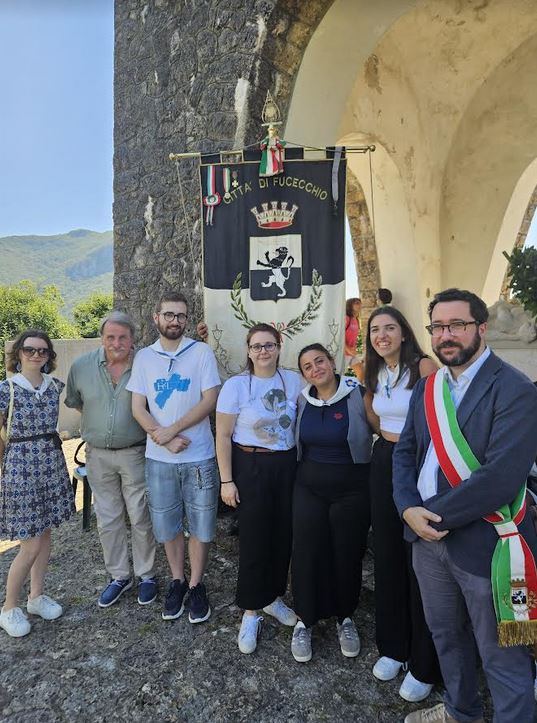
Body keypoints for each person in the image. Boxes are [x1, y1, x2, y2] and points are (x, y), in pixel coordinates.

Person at [393, 288, 537, 723]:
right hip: (426, 540)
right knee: (446, 637)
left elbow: (500, 478)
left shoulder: (515, 389)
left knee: (503, 654)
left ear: (481, 327)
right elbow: (405, 452)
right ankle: (461, 712)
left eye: (457, 325)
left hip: (489, 543)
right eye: (438, 327)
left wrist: (428, 516)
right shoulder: (429, 387)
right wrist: (406, 509)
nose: (446, 335)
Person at [128, 291, 220, 624]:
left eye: (181, 316)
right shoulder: (144, 358)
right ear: (156, 317)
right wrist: (161, 436)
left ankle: (197, 584)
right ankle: (177, 581)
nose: (175, 321)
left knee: (201, 523)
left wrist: (174, 429)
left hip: (198, 455)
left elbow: (210, 399)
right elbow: (138, 406)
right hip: (160, 459)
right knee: (167, 525)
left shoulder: (201, 353)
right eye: (169, 315)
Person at [364, 306, 440, 703]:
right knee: (389, 556)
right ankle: (394, 646)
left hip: (420, 464)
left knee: (422, 563)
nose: (382, 335)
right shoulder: (373, 371)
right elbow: (376, 417)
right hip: (385, 461)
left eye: (389, 327)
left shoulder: (424, 368)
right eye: (375, 329)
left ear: (405, 333)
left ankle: (425, 661)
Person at [216, 323, 303, 654]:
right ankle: (251, 610)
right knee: (254, 537)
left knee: (283, 535)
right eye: (256, 346)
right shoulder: (236, 386)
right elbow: (223, 435)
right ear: (248, 350)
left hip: (286, 465)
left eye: (269, 345)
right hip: (250, 465)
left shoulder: (294, 381)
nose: (263, 351)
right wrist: (227, 480)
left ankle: (273, 597)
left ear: (280, 346)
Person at [65, 311, 157, 608]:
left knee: (141, 515)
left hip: (135, 452)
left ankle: (146, 576)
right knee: (108, 518)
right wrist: (104, 430)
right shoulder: (81, 367)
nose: (116, 343)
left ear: (133, 339)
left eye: (123, 337)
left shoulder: (147, 364)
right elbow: (77, 403)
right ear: (102, 338)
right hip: (98, 455)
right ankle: (119, 576)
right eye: (110, 337)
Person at [290, 343, 372, 662]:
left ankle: (345, 617)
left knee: (347, 553)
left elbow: (382, 429)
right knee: (307, 552)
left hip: (352, 490)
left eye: (319, 361)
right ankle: (305, 620)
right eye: (308, 366)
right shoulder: (302, 400)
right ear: (304, 374)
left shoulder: (357, 393)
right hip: (308, 488)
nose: (315, 369)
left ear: (331, 361)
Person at [0, 330, 75, 637]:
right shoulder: (6, 390)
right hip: (21, 468)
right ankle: (8, 608)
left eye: (42, 351)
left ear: (49, 356)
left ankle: (36, 597)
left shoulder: (54, 386)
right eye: (30, 350)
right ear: (18, 353)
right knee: (29, 544)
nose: (36, 355)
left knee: (44, 536)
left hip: (51, 463)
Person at [344, 297, 362, 368]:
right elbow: (339, 336)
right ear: (350, 305)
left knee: (361, 373)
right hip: (343, 353)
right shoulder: (346, 318)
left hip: (351, 353)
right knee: (338, 375)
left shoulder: (356, 320)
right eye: (357, 303)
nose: (360, 305)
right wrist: (348, 349)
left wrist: (353, 350)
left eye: (360, 303)